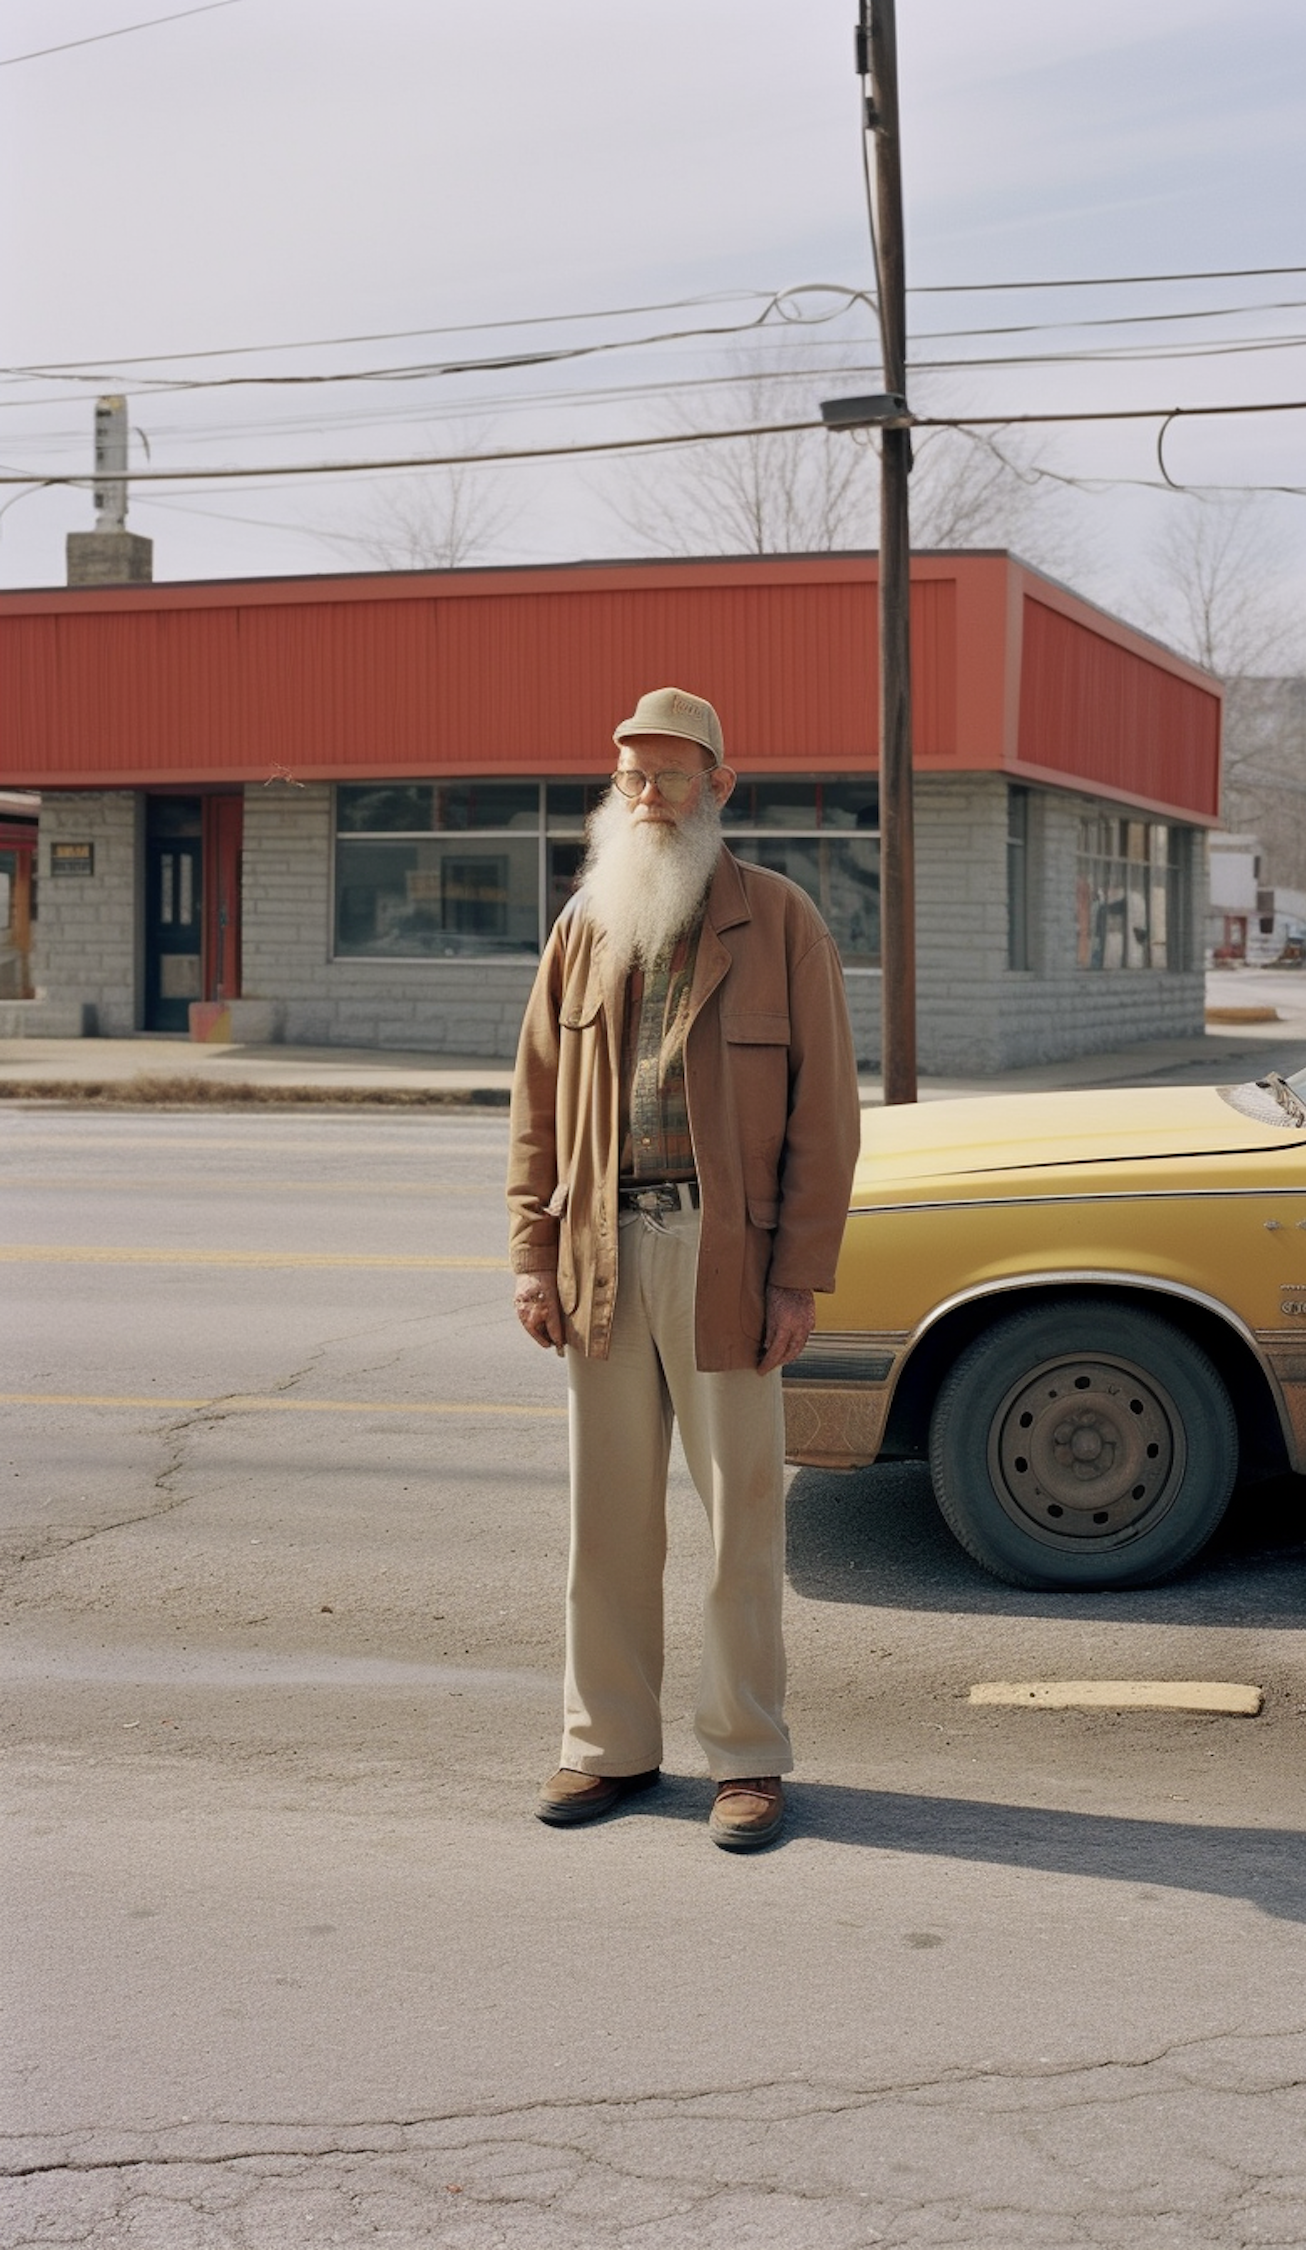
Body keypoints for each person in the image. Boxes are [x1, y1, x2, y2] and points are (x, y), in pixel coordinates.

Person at [507, 686, 861, 1851]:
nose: (648, 798)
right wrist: (531, 1255)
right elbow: (536, 1108)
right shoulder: (585, 928)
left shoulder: (782, 920)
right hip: (599, 1253)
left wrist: (798, 1278)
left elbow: (826, 1119)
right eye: (630, 778)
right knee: (604, 1523)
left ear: (720, 785)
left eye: (669, 775)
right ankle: (605, 1746)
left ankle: (746, 1758)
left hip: (725, 1261)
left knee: (741, 1526)